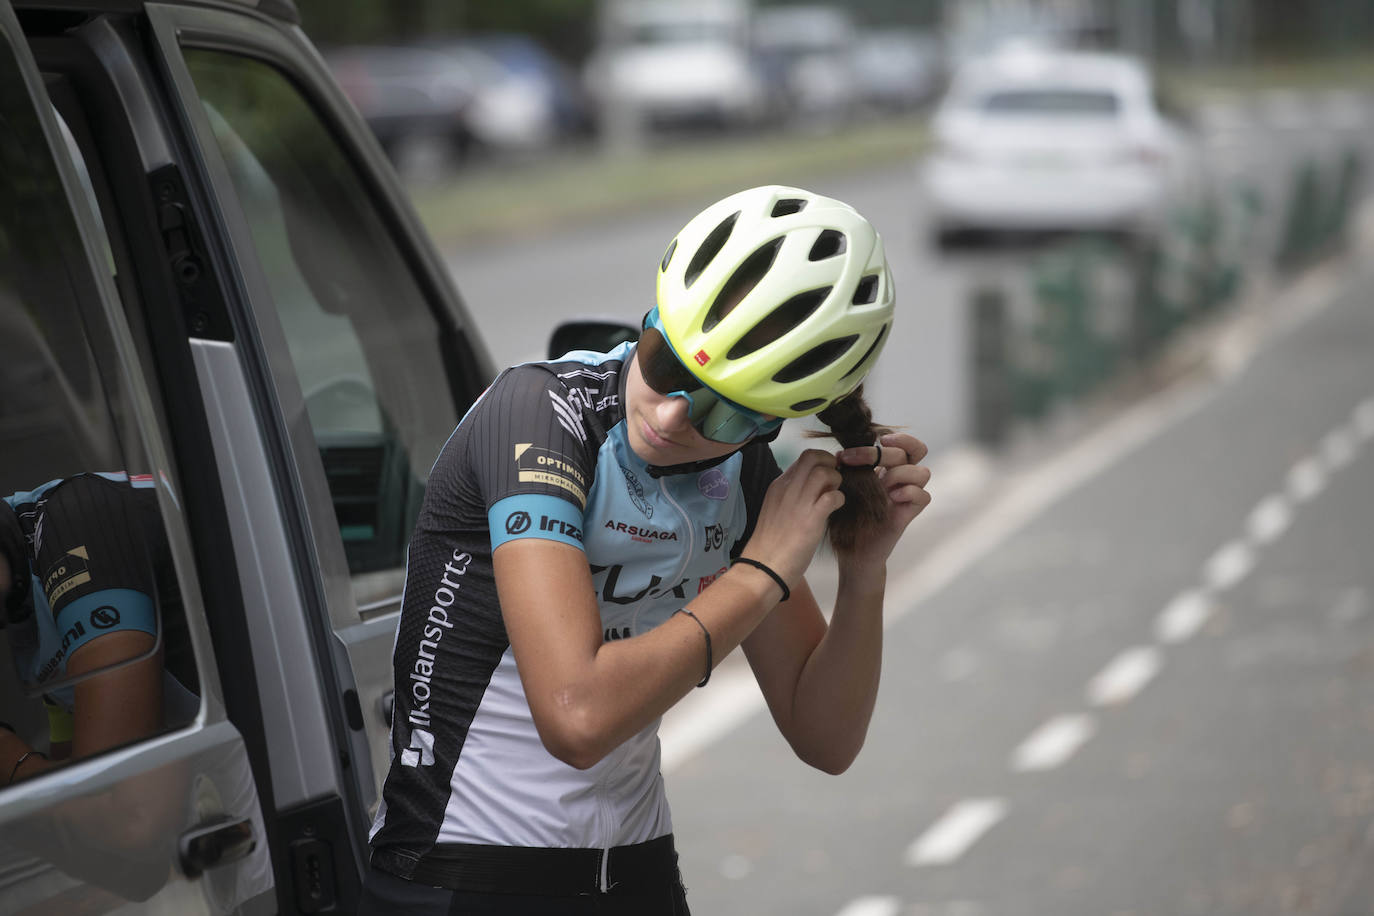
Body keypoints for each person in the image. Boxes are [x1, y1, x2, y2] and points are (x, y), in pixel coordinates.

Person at [361, 185, 932, 914]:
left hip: (637, 871)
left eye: (722, 411)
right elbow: (577, 718)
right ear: (653, 317)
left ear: (770, 425)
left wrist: (863, 573)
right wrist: (761, 571)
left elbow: (826, 737)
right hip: (464, 873)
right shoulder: (538, 415)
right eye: (665, 363)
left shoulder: (744, 471)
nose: (667, 414)